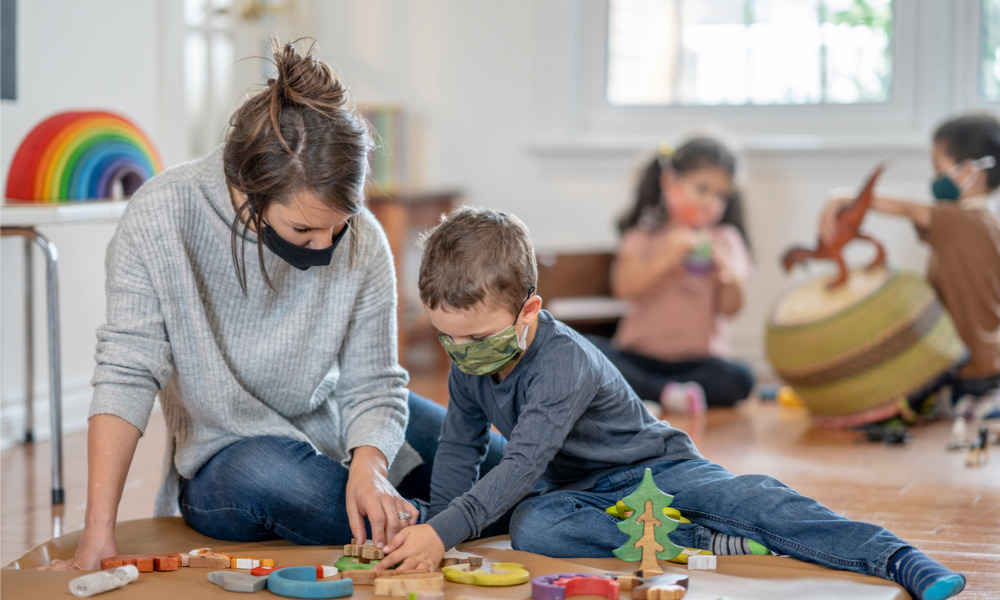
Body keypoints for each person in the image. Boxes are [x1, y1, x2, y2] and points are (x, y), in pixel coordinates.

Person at [43, 39, 506, 571]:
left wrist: (370, 463)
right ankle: (448, 524)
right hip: (230, 461)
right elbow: (126, 370)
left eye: (339, 226)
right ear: (245, 187)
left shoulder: (366, 239)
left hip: (336, 420)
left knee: (504, 468)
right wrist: (97, 533)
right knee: (278, 479)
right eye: (304, 229)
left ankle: (436, 519)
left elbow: (374, 383)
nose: (326, 247)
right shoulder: (161, 216)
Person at [375, 206, 966, 600]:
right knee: (534, 526)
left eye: (478, 338)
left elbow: (521, 462)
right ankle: (696, 544)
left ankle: (895, 557)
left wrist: (443, 529)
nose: (462, 352)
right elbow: (460, 444)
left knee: (760, 503)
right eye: (448, 337)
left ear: (528, 311)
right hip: (572, 491)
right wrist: (440, 530)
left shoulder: (563, 362)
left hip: (658, 470)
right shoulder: (467, 358)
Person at [820, 113, 1000, 421]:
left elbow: (906, 207)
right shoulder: (988, 223)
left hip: (970, 366)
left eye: (939, 169)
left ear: (970, 171)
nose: (935, 179)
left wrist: (844, 198)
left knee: (901, 402)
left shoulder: (956, 221)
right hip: (988, 359)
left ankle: (976, 403)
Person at [587, 138, 754, 414]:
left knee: (741, 378)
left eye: (721, 195)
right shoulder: (645, 234)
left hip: (700, 362)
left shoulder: (725, 239)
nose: (711, 203)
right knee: (588, 351)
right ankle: (667, 393)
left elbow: (731, 308)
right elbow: (624, 287)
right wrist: (665, 256)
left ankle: (653, 392)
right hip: (639, 356)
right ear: (670, 182)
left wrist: (728, 276)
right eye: (703, 189)